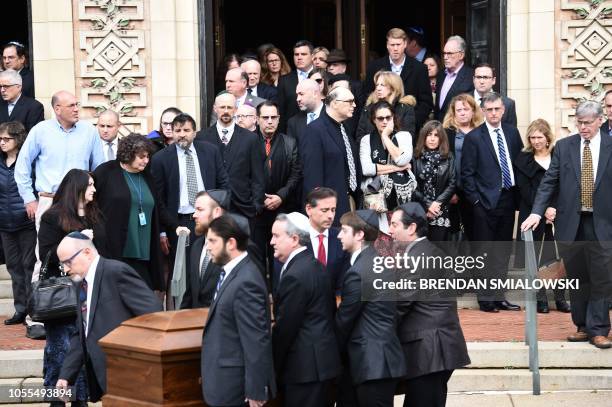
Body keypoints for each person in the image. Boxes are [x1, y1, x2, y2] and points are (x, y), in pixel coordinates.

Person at [522, 100, 612, 349]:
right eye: (579, 122)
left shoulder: (609, 145)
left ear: (599, 121)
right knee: (578, 276)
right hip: (571, 223)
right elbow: (549, 181)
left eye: (587, 122)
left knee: (602, 277)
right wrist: (537, 212)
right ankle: (582, 326)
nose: (582, 127)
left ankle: (600, 329)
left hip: (603, 223)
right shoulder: (564, 147)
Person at [56, 232, 163, 402]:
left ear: (87, 252)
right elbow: (84, 331)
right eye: (63, 264)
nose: (66, 269)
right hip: (105, 378)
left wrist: (134, 356)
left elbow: (153, 314)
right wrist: (66, 375)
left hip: (130, 375)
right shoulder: (80, 284)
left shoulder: (116, 271)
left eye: (68, 262)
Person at [15, 90, 104, 284]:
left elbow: (99, 167)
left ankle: (86, 308)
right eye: (71, 105)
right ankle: (41, 309)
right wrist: (29, 198)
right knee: (45, 257)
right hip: (49, 200)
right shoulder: (40, 130)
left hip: (81, 201)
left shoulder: (89, 131)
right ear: (57, 109)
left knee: (84, 253)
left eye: (76, 104)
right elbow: (22, 166)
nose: (76, 109)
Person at [389, 202, 471, 407]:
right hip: (435, 348)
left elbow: (400, 302)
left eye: (394, 225)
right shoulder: (427, 251)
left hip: (431, 350)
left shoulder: (419, 257)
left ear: (411, 228)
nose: (389, 230)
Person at [38, 169, 108, 406]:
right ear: (77, 188)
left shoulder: (94, 214)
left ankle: (81, 401)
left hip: (87, 294)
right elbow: (46, 253)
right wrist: (76, 240)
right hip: (61, 298)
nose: (94, 189)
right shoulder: (53, 216)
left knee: (83, 353)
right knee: (59, 355)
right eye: (89, 185)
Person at [201, 215, 276, 406]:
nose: (207, 247)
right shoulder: (233, 273)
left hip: (236, 390)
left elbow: (256, 341)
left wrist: (256, 390)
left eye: (212, 241)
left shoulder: (246, 281)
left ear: (231, 243)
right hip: (224, 385)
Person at [335, 210, 406, 406]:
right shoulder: (381, 263)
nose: (339, 235)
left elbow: (344, 321)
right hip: (381, 361)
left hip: (371, 364)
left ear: (359, 234)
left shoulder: (358, 272)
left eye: (344, 230)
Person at [271, 212, 340, 407]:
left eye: (276, 236)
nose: (271, 242)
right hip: (321, 367)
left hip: (304, 371)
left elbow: (285, 329)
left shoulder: (295, 275)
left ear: (294, 239)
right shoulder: (315, 264)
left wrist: (272, 369)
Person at [461, 92, 523, 313]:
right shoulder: (474, 138)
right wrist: (476, 201)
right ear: (483, 111)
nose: (494, 113)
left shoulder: (513, 133)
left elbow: (520, 165)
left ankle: (499, 296)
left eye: (497, 109)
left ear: (503, 110)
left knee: (502, 251)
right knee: (484, 252)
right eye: (489, 110)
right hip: (484, 203)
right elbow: (466, 175)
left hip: (508, 199)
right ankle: (486, 298)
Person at [151, 113, 229, 284]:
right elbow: (159, 200)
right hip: (180, 224)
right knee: (184, 274)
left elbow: (223, 183)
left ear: (195, 132)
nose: (182, 134)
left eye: (186, 130)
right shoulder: (161, 159)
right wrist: (165, 230)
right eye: (177, 130)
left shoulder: (210, 151)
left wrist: (219, 212)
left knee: (211, 267)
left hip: (210, 220)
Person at [93, 133, 167, 291]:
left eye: (147, 156)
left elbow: (158, 207)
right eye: (141, 157)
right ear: (128, 155)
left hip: (145, 248)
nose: (146, 161)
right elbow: (90, 201)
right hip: (116, 247)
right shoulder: (106, 171)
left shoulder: (147, 176)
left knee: (143, 292)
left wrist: (175, 226)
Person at [514, 119, 570, 313]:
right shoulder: (522, 159)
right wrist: (542, 209)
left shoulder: (559, 156)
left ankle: (561, 298)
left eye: (540, 137)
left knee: (559, 257)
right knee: (536, 258)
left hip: (558, 214)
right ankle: (540, 299)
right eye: (532, 137)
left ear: (548, 138)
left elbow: (566, 185)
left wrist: (553, 208)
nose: (536, 141)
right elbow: (525, 189)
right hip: (532, 214)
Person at [196, 92, 265, 222]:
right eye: (222, 107)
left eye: (230, 107)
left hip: (244, 208)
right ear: (215, 108)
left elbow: (258, 177)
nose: (226, 111)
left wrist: (256, 206)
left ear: (236, 109)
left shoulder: (251, 139)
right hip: (211, 208)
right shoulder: (201, 138)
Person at [253, 101, 301, 280]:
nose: (270, 121)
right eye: (265, 117)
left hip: (282, 209)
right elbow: (244, 175)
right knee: (256, 258)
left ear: (279, 119)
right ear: (257, 119)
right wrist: (259, 199)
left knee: (280, 258)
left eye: (274, 117)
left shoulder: (289, 143)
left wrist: (280, 196)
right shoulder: (248, 142)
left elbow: (296, 175)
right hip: (256, 211)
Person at [300, 87, 361, 225]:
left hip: (349, 201)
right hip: (328, 209)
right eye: (350, 101)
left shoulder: (344, 127)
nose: (354, 105)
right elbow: (312, 176)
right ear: (334, 103)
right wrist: (321, 210)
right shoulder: (314, 130)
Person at [359, 101, 415, 234]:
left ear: (393, 118)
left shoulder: (404, 136)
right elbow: (367, 169)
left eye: (388, 118)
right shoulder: (366, 140)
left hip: (400, 196)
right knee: (380, 239)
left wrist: (385, 136)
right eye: (380, 118)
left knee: (400, 239)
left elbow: (402, 160)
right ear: (374, 120)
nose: (385, 121)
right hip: (376, 198)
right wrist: (397, 168)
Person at [0, 122, 36, 326]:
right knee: (13, 268)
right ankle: (20, 309)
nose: (2, 143)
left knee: (29, 266)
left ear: (18, 139)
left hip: (26, 222)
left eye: (6, 139)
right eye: (0, 139)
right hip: (5, 223)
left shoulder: (28, 162)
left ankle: (33, 310)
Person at [363, 28, 433, 130]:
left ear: (405, 44)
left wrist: (411, 122)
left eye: (398, 44)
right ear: (387, 45)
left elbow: (426, 102)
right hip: (378, 126)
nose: (395, 48)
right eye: (392, 45)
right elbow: (366, 96)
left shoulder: (419, 69)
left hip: (409, 128)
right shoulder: (374, 67)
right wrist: (375, 121)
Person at [442, 94, 484, 241]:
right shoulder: (447, 133)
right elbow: (445, 164)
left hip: (478, 188)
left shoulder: (482, 131)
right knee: (456, 232)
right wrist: (450, 191)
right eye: (459, 110)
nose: (463, 112)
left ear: (473, 111)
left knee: (477, 230)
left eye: (466, 109)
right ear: (453, 113)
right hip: (456, 189)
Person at [180, 190, 229, 309]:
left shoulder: (233, 248)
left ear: (217, 212)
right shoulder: (196, 246)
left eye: (200, 210)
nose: (194, 215)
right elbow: (190, 294)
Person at [412, 121, 456, 241]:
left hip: (440, 209)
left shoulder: (449, 156)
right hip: (420, 209)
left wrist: (437, 204)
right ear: (423, 136)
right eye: (429, 134)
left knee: (438, 252)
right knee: (420, 252)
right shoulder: (415, 157)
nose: (432, 139)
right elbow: (412, 185)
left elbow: (452, 183)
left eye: (436, 135)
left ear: (441, 139)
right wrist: (428, 204)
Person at [357, 70, 416, 142]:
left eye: (382, 85)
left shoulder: (405, 108)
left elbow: (408, 137)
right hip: (371, 151)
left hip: (396, 150)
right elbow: (360, 135)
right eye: (377, 85)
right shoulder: (369, 108)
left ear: (393, 87)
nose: (378, 88)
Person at [277, 40, 314, 131]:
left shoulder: (322, 77)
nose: (299, 57)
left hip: (320, 129)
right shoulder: (284, 80)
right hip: (293, 132)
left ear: (312, 56)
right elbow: (281, 111)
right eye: (296, 54)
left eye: (303, 54)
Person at [435, 35, 474, 121]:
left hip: (459, 129)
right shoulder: (441, 75)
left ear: (461, 55)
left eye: (449, 53)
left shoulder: (471, 76)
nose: (445, 57)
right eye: (444, 53)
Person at [472, 63, 517, 127]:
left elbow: (511, 133)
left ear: (493, 80)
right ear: (473, 79)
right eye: (478, 77)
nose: (481, 81)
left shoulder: (508, 104)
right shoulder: (463, 101)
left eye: (485, 77)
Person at [286, 79, 324, 143]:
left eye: (301, 94)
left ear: (315, 94)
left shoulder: (333, 115)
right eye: (297, 95)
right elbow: (292, 151)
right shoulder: (293, 123)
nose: (298, 99)